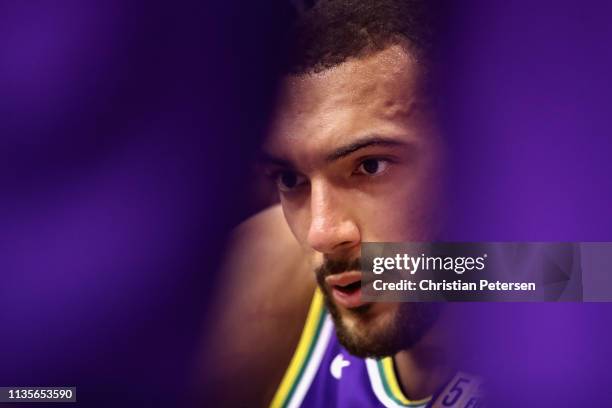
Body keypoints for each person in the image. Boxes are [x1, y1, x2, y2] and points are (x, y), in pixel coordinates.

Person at [200, 1, 483, 406]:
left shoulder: (570, 279)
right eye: (290, 179)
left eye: (370, 165)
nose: (322, 234)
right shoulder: (260, 284)